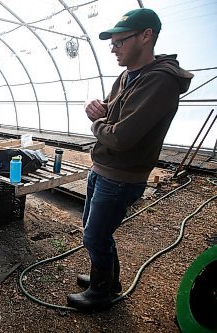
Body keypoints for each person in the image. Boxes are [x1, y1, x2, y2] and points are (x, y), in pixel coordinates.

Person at [66, 8, 193, 310]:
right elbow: (111, 109)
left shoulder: (160, 81)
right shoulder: (127, 76)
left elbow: (122, 137)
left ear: (146, 36)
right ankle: (108, 279)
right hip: (103, 168)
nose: (113, 48)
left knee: (95, 234)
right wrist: (98, 108)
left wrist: (96, 125)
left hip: (121, 177)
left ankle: (101, 293)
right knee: (94, 229)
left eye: (119, 41)